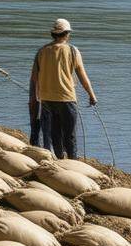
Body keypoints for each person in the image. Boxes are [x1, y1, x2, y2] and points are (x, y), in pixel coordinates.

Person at [28, 18, 97, 158]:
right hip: (66, 99)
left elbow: (34, 78)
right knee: (70, 136)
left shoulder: (41, 52)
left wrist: (37, 96)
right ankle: (72, 162)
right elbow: (83, 76)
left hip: (47, 99)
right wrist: (92, 95)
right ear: (66, 34)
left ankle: (60, 159)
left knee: (55, 134)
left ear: (53, 34)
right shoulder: (73, 51)